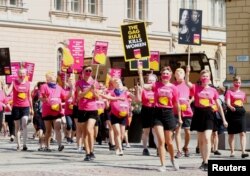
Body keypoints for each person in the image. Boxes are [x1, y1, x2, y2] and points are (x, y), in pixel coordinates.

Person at [185, 66, 228, 171]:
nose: (205, 78)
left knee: (207, 138)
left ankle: (207, 161)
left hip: (209, 114)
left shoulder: (213, 90)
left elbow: (218, 106)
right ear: (200, 77)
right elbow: (187, 83)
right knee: (201, 141)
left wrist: (224, 119)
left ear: (209, 78)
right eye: (203, 76)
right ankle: (203, 161)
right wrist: (187, 72)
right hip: (198, 114)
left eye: (207, 76)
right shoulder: (196, 87)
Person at [139, 66, 180, 172]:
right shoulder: (156, 85)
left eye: (167, 74)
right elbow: (144, 86)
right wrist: (140, 73)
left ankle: (172, 159)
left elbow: (176, 103)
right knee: (161, 141)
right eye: (163, 73)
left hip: (169, 113)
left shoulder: (174, 88)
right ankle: (163, 165)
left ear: (170, 76)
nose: (165, 75)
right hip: (157, 113)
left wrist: (179, 117)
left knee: (169, 141)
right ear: (161, 75)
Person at [40, 71, 73, 152]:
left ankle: (60, 145)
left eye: (54, 77)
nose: (53, 79)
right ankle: (47, 146)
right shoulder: (44, 86)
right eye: (51, 78)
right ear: (47, 79)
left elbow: (65, 97)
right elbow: (40, 97)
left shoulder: (58, 87)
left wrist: (72, 89)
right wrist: (46, 100)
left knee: (57, 128)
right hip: (47, 110)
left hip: (57, 110)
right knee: (48, 130)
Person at [101, 78, 134, 156]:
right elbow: (107, 97)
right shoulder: (112, 92)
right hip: (114, 115)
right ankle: (119, 149)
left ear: (121, 83)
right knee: (117, 132)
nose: (118, 83)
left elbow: (136, 98)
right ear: (114, 85)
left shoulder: (126, 92)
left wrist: (139, 91)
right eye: (116, 82)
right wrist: (101, 94)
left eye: (119, 82)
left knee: (122, 134)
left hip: (123, 115)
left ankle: (117, 146)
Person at [5, 68, 34, 151]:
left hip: (25, 106)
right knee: (17, 127)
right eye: (20, 73)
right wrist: (4, 87)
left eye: (23, 73)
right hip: (16, 107)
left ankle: (24, 144)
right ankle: (19, 145)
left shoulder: (28, 83)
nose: (22, 75)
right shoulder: (14, 82)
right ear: (18, 74)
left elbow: (29, 97)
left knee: (24, 123)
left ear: (26, 74)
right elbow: (7, 93)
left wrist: (32, 108)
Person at [76, 65, 99, 161]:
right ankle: (88, 153)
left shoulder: (95, 82)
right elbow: (79, 95)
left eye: (90, 70)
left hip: (92, 109)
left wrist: (93, 91)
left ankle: (92, 150)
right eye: (87, 70)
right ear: (83, 72)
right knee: (85, 132)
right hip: (82, 109)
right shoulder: (79, 82)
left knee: (90, 129)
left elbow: (97, 97)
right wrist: (89, 89)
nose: (89, 72)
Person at [225, 76, 249, 158]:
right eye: (236, 82)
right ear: (233, 82)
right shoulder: (229, 92)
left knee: (243, 133)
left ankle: (243, 151)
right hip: (232, 113)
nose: (237, 84)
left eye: (239, 82)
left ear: (240, 83)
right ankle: (232, 151)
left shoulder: (243, 93)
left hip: (241, 112)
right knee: (231, 133)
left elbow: (243, 102)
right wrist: (231, 107)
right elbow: (227, 102)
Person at [173, 68, 193, 158]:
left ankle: (186, 147)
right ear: (174, 75)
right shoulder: (172, 85)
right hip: (176, 111)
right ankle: (179, 151)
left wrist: (190, 101)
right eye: (177, 72)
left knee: (187, 132)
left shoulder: (188, 84)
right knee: (177, 130)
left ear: (184, 74)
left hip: (187, 111)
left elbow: (194, 96)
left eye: (181, 72)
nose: (179, 74)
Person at [137, 73, 158, 156]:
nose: (151, 81)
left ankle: (158, 148)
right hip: (146, 110)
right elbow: (138, 100)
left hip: (155, 110)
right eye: (149, 80)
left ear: (156, 81)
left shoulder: (157, 89)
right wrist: (138, 91)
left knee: (155, 131)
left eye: (152, 80)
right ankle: (145, 148)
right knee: (146, 131)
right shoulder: (143, 89)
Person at [32, 82, 46, 151]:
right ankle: (42, 145)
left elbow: (33, 101)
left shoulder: (36, 93)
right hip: (41, 113)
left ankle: (42, 145)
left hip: (39, 113)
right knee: (42, 129)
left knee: (42, 129)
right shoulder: (41, 93)